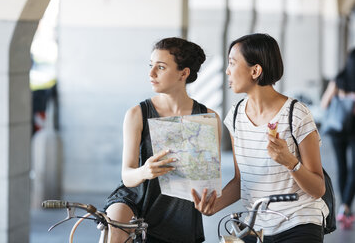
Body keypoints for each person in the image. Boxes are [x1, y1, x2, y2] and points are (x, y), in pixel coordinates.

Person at [191, 33, 329, 242]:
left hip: (299, 221)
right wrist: (213, 205)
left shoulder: (296, 114)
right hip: (256, 225)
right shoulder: (235, 116)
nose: (227, 71)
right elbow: (240, 181)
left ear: (255, 70)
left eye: (232, 63)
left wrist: (290, 162)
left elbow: (318, 189)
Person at [104, 37, 221, 243]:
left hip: (180, 213)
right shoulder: (137, 114)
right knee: (112, 230)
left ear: (183, 73)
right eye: (151, 66)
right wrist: (145, 171)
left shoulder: (207, 118)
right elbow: (127, 176)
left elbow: (208, 183)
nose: (151, 74)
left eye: (161, 67)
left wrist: (209, 201)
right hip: (135, 200)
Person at [321, 48, 355, 229]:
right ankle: (346, 207)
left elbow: (324, 103)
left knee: (342, 167)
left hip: (337, 129)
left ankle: (344, 206)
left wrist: (340, 97)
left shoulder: (338, 80)